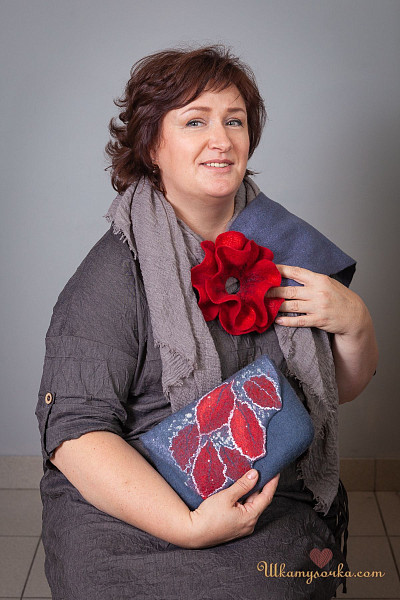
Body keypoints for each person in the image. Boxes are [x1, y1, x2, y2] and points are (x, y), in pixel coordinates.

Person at [36, 45, 378, 600]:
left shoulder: (287, 245)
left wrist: (357, 325)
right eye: (195, 121)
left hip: (262, 488)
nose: (221, 140)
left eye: (234, 121)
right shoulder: (114, 272)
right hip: (128, 503)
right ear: (152, 145)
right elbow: (75, 434)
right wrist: (188, 525)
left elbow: (332, 391)